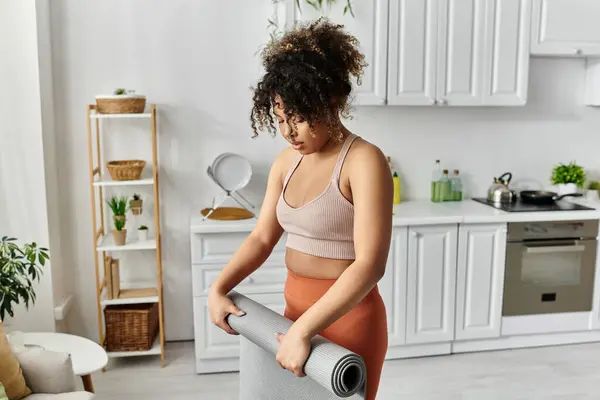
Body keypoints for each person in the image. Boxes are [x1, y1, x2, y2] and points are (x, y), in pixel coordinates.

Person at [208, 17, 393, 400]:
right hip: (293, 314)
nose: (289, 131)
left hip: (349, 319)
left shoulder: (363, 161)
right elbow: (262, 237)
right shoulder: (284, 162)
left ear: (332, 102)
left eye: (299, 118)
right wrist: (219, 287)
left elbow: (370, 265)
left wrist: (305, 330)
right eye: (280, 118)